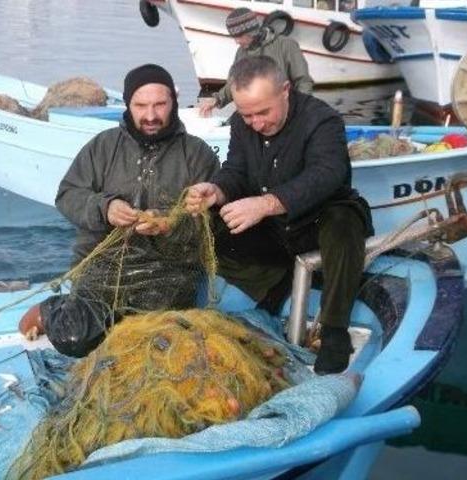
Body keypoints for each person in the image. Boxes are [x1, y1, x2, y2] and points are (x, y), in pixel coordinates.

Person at [185, 56, 372, 375]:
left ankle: (334, 331)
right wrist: (216, 190)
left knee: (344, 224)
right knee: (209, 227)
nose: (256, 123)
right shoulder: (242, 126)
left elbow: (327, 174)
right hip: (274, 229)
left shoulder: (322, 120)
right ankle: (272, 287)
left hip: (319, 219)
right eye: (246, 115)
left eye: (263, 112)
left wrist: (267, 203)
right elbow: (236, 171)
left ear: (285, 91)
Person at [19, 64, 220, 355]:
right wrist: (105, 207)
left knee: (155, 346)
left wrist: (168, 225)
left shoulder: (197, 154)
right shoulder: (102, 146)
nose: (151, 115)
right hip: (103, 262)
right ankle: (49, 309)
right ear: (128, 105)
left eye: (160, 105)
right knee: (76, 339)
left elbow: (209, 223)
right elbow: (67, 195)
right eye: (141, 105)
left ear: (173, 103)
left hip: (167, 269)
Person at [198, 7, 314, 117]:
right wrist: (217, 99)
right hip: (252, 114)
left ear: (252, 32)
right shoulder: (241, 52)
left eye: (239, 36)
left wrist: (299, 110)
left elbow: (303, 81)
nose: (237, 41)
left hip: (283, 114)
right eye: (234, 37)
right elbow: (234, 84)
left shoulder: (286, 45)